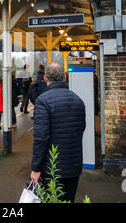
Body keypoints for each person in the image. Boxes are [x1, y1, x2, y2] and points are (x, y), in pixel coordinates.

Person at [30, 62, 86, 203]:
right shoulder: (78, 100)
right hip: (74, 166)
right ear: (64, 78)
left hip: (52, 168)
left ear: (45, 79)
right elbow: (81, 129)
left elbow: (41, 138)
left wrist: (36, 168)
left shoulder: (42, 101)